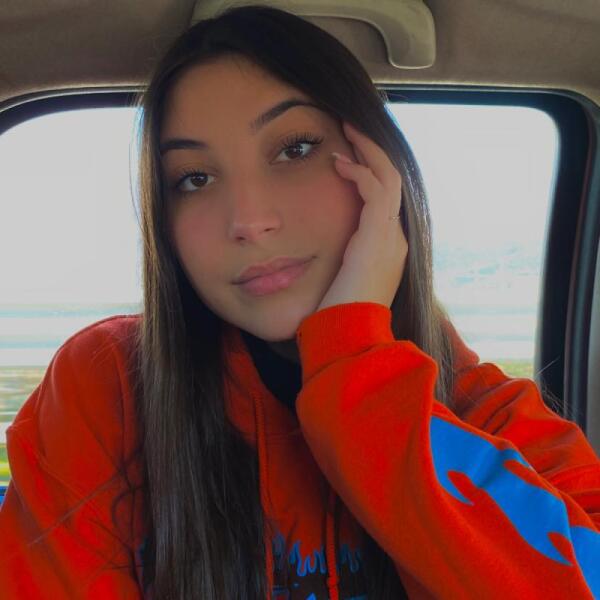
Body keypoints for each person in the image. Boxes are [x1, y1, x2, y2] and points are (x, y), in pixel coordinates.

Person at [1, 4, 599, 599]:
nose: (248, 220)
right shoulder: (107, 387)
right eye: (194, 179)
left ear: (379, 170)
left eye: (295, 149)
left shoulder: (483, 413)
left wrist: (359, 369)